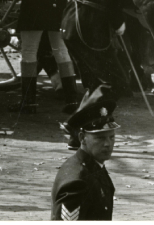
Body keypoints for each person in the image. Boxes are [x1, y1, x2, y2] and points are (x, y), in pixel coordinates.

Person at [52, 85, 118, 220]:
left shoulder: (94, 165)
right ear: (82, 138)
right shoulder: (77, 182)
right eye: (100, 138)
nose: (107, 144)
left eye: (111, 137)